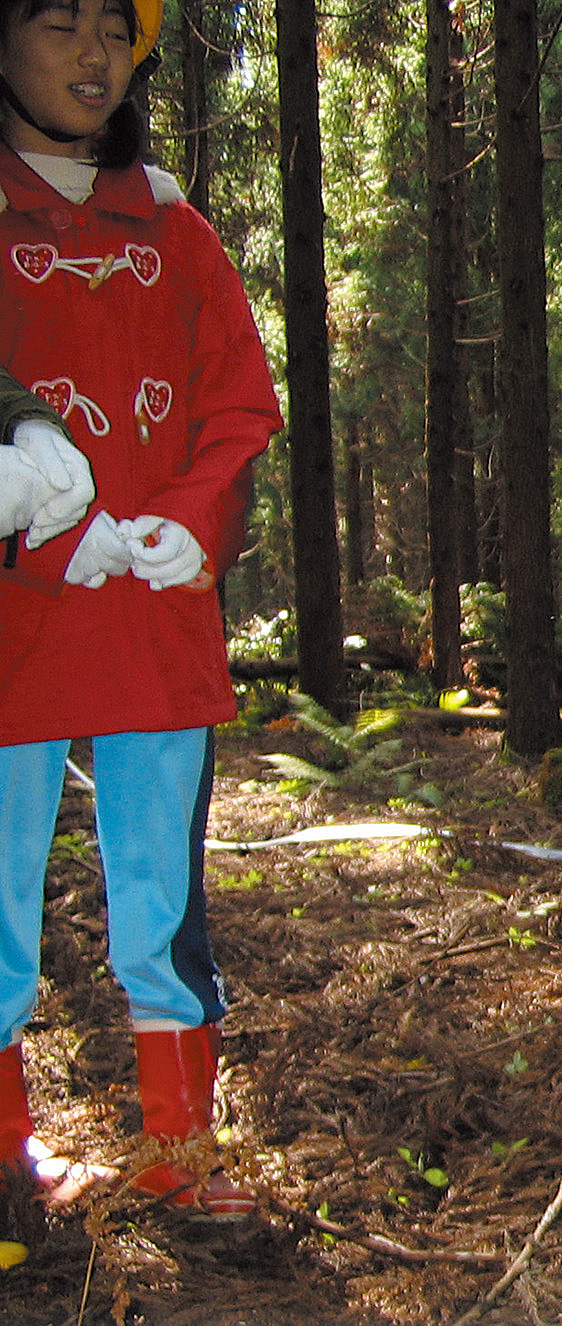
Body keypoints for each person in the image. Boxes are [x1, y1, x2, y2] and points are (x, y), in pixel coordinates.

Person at [0, 0, 283, 1235]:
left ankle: (179, 1144)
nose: (92, 54)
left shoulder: (173, 229)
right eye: (57, 24)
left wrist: (191, 521)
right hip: (14, 627)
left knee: (160, 902)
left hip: (157, 631)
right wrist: (53, 532)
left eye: (114, 28)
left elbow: (239, 397)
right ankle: (6, 1154)